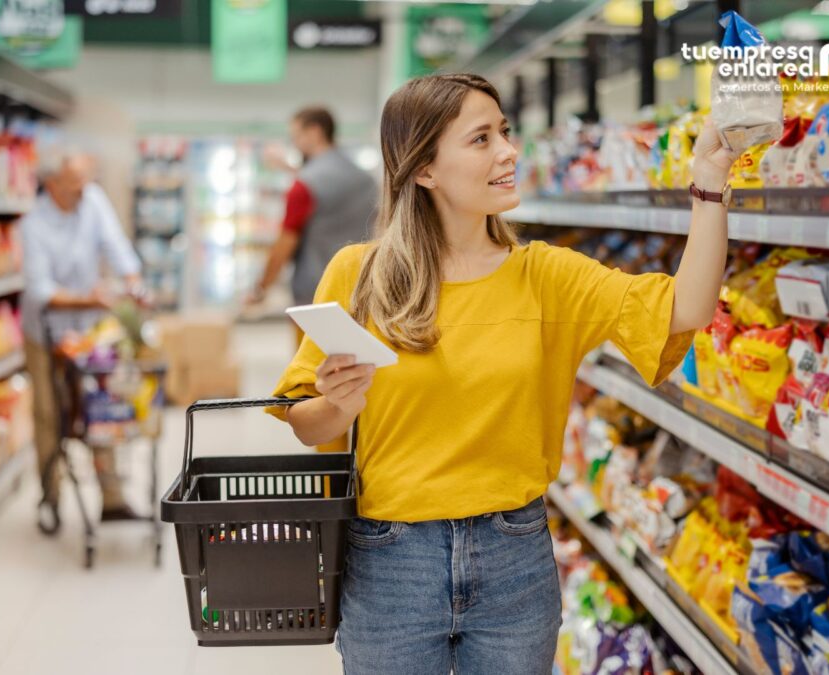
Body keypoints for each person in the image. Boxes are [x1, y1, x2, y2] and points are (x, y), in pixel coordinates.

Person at [268, 74, 735, 674]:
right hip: (390, 561)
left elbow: (686, 309)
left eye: (505, 133)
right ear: (425, 170)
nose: (508, 151)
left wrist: (712, 185)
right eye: (481, 138)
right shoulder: (363, 274)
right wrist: (339, 404)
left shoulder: (546, 276)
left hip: (514, 559)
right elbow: (305, 423)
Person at [21, 148, 146, 535]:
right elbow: (42, 290)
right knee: (49, 414)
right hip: (46, 332)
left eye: (85, 181)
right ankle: (50, 497)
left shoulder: (91, 200)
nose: (83, 190)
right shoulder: (33, 224)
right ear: (52, 184)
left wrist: (133, 281)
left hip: (88, 331)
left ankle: (112, 499)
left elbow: (116, 245)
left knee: (101, 405)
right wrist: (90, 298)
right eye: (74, 183)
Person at [248, 106, 378, 328]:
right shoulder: (366, 180)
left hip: (314, 294)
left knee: (312, 361)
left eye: (296, 136)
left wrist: (262, 287)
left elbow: (285, 242)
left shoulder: (304, 186)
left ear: (315, 132)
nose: (294, 143)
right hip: (361, 288)